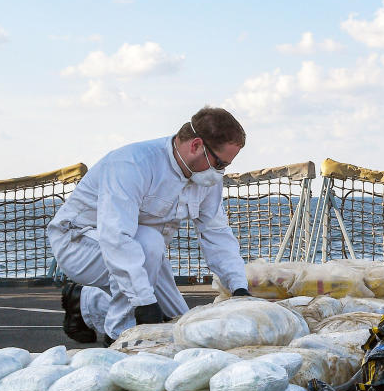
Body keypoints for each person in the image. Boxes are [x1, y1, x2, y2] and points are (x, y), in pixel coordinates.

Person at [47, 106, 251, 345]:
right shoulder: (133, 164)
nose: (220, 172)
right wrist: (144, 301)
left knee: (180, 324)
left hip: (145, 250)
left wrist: (239, 288)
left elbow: (216, 233)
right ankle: (119, 336)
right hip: (79, 243)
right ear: (196, 145)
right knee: (147, 271)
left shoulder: (205, 177)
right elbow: (116, 237)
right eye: (219, 163)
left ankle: (85, 302)